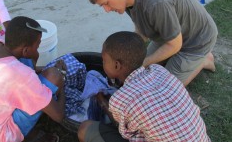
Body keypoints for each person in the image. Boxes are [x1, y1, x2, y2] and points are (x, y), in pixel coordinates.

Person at [87, 0, 217, 86]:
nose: (107, 9)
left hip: (196, 41)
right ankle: (183, 60)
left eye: (106, 3)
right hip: (169, 36)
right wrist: (130, 55)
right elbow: (141, 29)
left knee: (166, 88)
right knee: (143, 70)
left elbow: (175, 45)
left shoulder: (155, 4)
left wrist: (143, 63)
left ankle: (203, 60)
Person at [78, 31, 211, 142]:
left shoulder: (120, 99)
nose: (103, 63)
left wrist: (102, 102)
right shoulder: (159, 70)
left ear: (117, 66)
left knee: (85, 129)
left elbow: (125, 132)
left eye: (104, 61)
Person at [0, 16, 65, 142]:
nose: (38, 49)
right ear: (25, 50)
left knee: (29, 63)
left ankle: (30, 122)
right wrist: (62, 80)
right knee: (54, 76)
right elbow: (59, 115)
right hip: (1, 136)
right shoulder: (19, 75)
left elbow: (23, 72)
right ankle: (24, 136)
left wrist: (37, 64)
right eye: (38, 45)